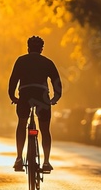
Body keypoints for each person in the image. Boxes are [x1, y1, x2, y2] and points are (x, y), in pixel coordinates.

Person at [8, 36, 62, 173]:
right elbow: (56, 81)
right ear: (41, 49)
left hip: (25, 95)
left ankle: (19, 158)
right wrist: (55, 97)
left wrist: (13, 96)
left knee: (22, 123)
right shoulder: (47, 62)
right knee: (44, 129)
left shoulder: (21, 61)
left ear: (28, 48)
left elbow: (13, 80)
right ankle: (46, 162)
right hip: (42, 96)